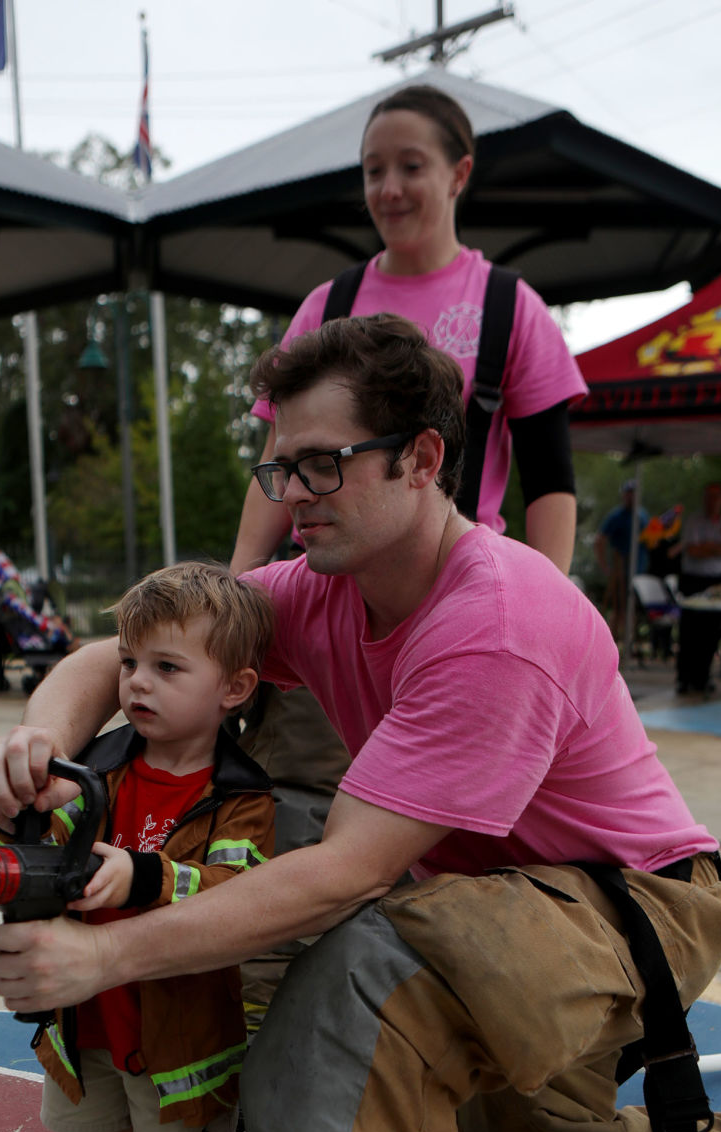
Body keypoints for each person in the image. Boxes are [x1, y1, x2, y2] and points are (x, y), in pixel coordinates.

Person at [0, 316, 721, 1132]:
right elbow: (123, 645)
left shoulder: (494, 620)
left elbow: (345, 871)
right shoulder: (328, 585)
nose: (291, 494)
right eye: (280, 465)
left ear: (422, 459)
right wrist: (42, 740)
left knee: (367, 975)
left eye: (321, 465)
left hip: (634, 906)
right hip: (500, 904)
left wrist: (108, 956)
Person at [227, 82, 588, 1002]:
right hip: (340, 605)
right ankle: (284, 1022)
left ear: (459, 173)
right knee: (301, 818)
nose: (388, 187)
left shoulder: (509, 308)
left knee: (452, 853)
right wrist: (234, 599)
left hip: (464, 619)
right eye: (372, 170)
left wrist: (541, 615)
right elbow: (278, 457)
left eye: (410, 166)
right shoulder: (330, 301)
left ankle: (421, 1029)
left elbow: (550, 483)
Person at [4, 562, 276, 1132]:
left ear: (233, 687)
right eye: (127, 662)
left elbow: (239, 885)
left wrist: (146, 872)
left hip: (178, 1030)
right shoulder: (98, 766)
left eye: (166, 666)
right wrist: (23, 834)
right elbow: (51, 846)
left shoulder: (239, 794)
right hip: (89, 1013)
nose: (135, 684)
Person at [674, 483, 721, 696]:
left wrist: (709, 546)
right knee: (690, 631)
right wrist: (718, 548)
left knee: (711, 632)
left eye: (716, 497)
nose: (712, 501)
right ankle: (684, 678)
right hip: (693, 580)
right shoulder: (694, 522)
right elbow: (694, 550)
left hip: (717, 581)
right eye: (709, 497)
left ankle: (703, 677)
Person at [0, 540, 75, 660]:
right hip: (1, 617)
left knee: (46, 586)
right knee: (10, 595)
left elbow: (13, 580)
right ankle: (48, 627)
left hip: (22, 612)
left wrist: (15, 586)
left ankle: (57, 622)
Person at [593, 480, 648, 638]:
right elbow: (600, 540)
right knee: (619, 609)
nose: (631, 496)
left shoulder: (642, 515)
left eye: (634, 493)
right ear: (624, 495)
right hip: (620, 569)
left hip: (639, 569)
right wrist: (604, 565)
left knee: (633, 609)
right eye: (628, 493)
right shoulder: (617, 516)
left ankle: (629, 641)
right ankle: (612, 641)